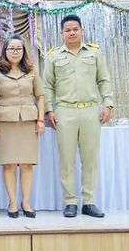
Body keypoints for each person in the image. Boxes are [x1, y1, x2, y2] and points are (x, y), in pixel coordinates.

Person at [44, 14, 114, 218]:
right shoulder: (54, 56)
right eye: (67, 30)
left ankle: (89, 202)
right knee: (66, 159)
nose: (72, 32)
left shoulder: (94, 53)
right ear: (61, 33)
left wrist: (108, 104)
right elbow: (48, 85)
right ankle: (70, 202)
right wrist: (50, 110)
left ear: (82, 30)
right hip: (65, 111)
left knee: (90, 159)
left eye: (75, 29)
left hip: (91, 111)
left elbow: (104, 80)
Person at [0, 34, 44, 219]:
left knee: (28, 164)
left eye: (19, 48)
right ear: (5, 51)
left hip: (28, 120)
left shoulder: (32, 70)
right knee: (9, 164)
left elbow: (40, 96)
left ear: (24, 51)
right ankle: (12, 202)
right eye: (11, 48)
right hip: (6, 122)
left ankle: (26, 201)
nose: (15, 52)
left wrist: (41, 120)